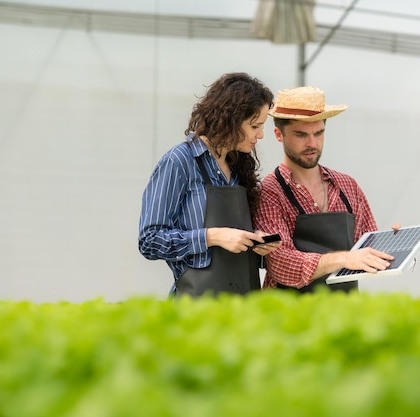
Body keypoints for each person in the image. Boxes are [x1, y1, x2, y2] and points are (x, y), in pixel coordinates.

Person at [138, 72, 280, 298]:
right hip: (196, 307)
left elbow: (233, 241)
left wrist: (256, 245)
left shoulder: (239, 166)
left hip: (243, 304)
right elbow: (150, 241)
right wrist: (211, 237)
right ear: (230, 120)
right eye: (255, 126)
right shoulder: (179, 161)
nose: (261, 135)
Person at [253, 86, 398, 293]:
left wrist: (396, 242)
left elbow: (366, 248)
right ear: (278, 134)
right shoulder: (270, 191)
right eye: (301, 135)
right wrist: (344, 258)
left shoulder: (347, 186)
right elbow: (281, 264)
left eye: (319, 133)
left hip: (343, 313)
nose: (312, 143)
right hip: (288, 317)